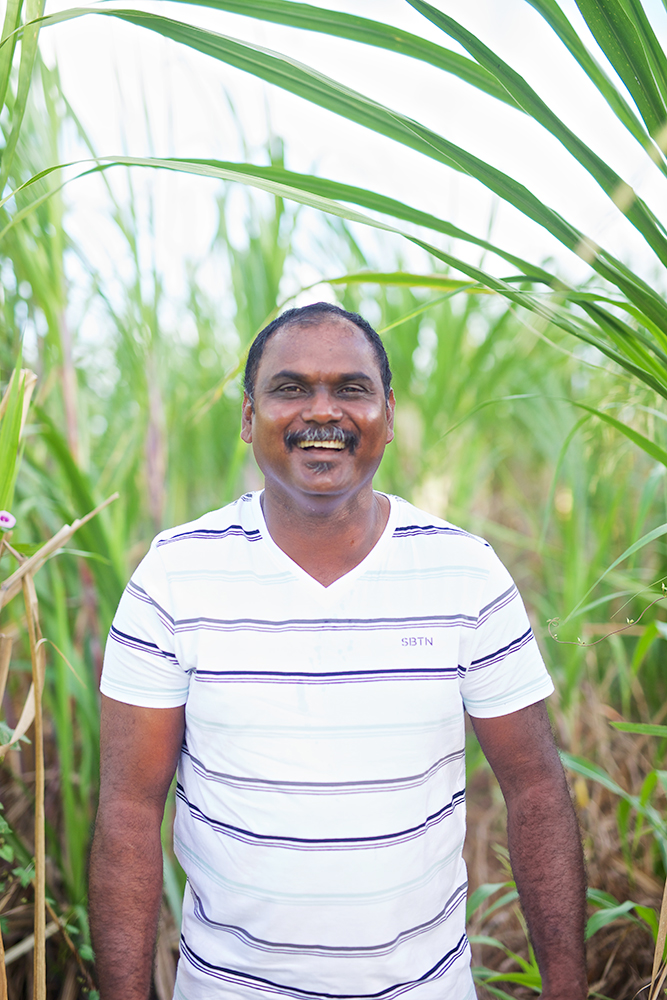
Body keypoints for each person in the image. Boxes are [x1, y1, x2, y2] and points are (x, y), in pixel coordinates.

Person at [89, 302, 587, 1000]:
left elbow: (534, 788)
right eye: (289, 388)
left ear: (386, 413)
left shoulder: (464, 572)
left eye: (349, 389)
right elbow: (130, 810)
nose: (320, 410)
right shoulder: (173, 575)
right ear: (246, 418)